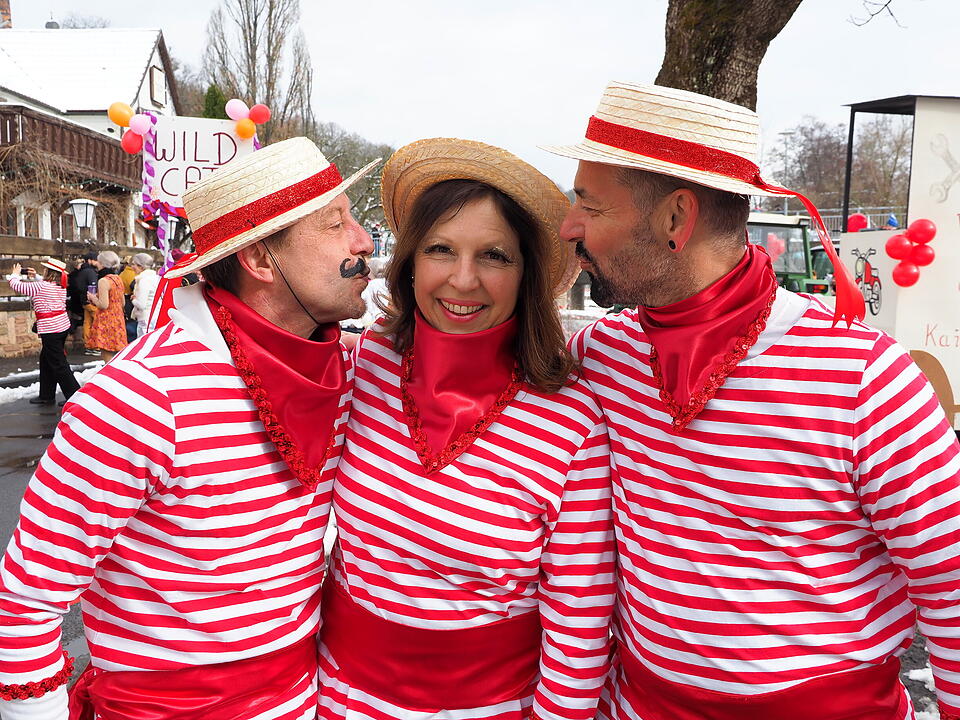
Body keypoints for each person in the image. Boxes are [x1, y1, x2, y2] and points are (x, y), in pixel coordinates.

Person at [544, 81, 960, 720]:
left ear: (676, 219)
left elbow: (951, 584)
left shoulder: (861, 377)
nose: (568, 227)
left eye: (590, 206)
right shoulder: (601, 354)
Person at [0, 137, 379, 720]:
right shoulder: (139, 398)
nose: (364, 241)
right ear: (260, 261)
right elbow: (27, 602)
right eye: (336, 223)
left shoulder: (348, 371)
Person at [318, 138, 615, 720]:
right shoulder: (363, 368)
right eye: (440, 249)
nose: (462, 279)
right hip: (340, 698)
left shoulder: (572, 418)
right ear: (410, 262)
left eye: (494, 256)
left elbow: (578, 623)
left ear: (527, 273)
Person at [7, 257, 80, 406]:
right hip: (61, 326)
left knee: (58, 363)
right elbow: (44, 285)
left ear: (49, 272)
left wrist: (15, 274)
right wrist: (36, 276)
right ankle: (46, 395)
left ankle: (75, 396)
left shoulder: (41, 287)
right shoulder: (60, 286)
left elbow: (17, 285)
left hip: (51, 329)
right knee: (47, 360)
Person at [84, 250, 127, 362]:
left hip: (106, 320)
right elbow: (123, 303)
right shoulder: (118, 278)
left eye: (98, 262)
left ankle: (110, 372)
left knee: (106, 352)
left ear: (102, 263)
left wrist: (93, 298)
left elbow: (103, 305)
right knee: (116, 353)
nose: (97, 264)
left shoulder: (103, 281)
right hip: (118, 319)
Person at [129, 252, 160, 337]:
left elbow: (141, 304)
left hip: (145, 318)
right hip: (154, 316)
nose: (132, 267)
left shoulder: (144, 280)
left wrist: (133, 299)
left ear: (141, 266)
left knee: (144, 342)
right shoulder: (155, 278)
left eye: (133, 264)